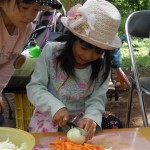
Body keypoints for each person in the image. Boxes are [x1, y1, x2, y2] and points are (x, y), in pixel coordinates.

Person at [27, 0, 122, 141]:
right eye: (84, 47)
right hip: (48, 115)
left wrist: (91, 117)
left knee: (108, 130)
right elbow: (35, 87)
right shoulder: (51, 52)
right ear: (73, 38)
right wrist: (56, 107)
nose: (88, 56)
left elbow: (97, 98)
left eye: (97, 51)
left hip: (82, 120)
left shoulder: (102, 66)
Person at [0, 0, 62, 126]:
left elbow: (9, 64)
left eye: (36, 10)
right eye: (24, 7)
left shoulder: (26, 28)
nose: (29, 16)